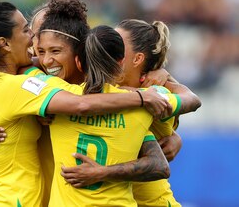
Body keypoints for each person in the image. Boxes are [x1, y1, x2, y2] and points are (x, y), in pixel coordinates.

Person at [0, 1, 171, 207]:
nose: (33, 40)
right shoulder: (25, 86)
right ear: (4, 43)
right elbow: (80, 104)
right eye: (28, 31)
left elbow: (162, 152)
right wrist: (143, 97)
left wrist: (165, 81)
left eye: (53, 48)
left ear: (77, 53)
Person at [61, 19, 201, 207]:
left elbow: (192, 100)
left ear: (137, 59)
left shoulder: (155, 94)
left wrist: (167, 78)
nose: (112, 46)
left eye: (119, 43)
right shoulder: (102, 89)